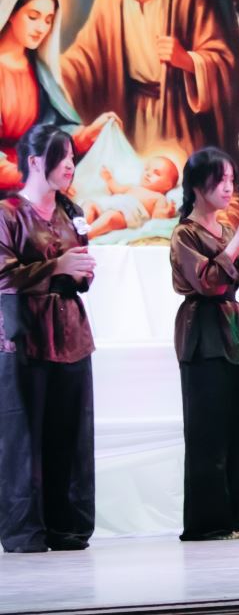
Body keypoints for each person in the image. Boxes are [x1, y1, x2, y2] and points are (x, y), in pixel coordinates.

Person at [60, 0, 238, 156]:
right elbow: (84, 59)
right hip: (129, 123)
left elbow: (225, 64)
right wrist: (50, 74)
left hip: (178, 125)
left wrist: (187, 60)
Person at [0, 125, 97, 553]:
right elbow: (4, 277)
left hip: (71, 333)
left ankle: (67, 526)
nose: (70, 165)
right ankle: (25, 530)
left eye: (72, 157)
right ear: (36, 161)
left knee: (70, 433)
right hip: (25, 336)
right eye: (62, 157)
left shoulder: (72, 211)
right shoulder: (8, 213)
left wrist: (79, 272)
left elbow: (82, 272)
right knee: (24, 434)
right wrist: (57, 267)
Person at [169, 148, 239, 540]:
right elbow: (207, 281)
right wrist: (236, 243)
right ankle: (208, 522)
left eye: (231, 180)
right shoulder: (185, 233)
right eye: (220, 180)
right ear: (198, 186)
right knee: (206, 432)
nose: (228, 188)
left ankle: (236, 518)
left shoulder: (228, 231)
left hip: (232, 333)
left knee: (236, 429)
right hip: (202, 333)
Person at [0, 0, 119, 193]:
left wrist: (87, 135)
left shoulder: (39, 72)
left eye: (48, 20)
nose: (41, 28)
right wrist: (35, 178)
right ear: (10, 11)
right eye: (33, 16)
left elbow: (51, 129)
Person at [82, 156, 179, 238]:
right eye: (147, 169)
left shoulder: (159, 198)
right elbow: (117, 189)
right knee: (89, 205)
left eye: (156, 173)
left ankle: (85, 235)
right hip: (108, 206)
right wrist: (109, 179)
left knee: (110, 218)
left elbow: (156, 220)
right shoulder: (133, 187)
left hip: (126, 216)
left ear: (168, 186)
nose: (148, 173)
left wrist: (165, 213)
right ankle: (79, 229)